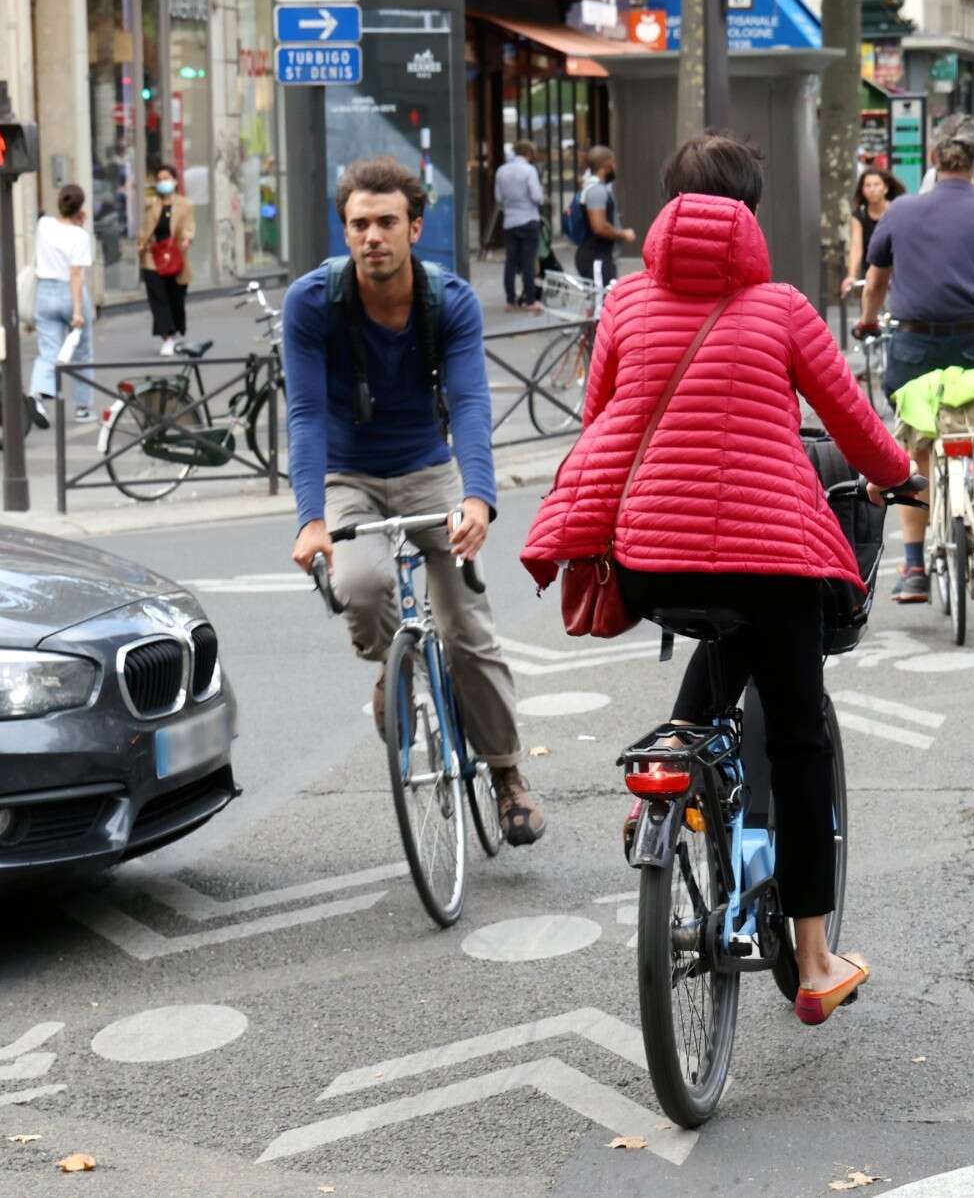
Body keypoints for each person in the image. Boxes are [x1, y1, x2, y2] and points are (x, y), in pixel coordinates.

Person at [521, 133, 911, 1018]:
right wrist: (898, 476)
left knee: (718, 628)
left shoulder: (623, 303)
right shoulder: (782, 308)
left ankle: (671, 754)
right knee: (798, 738)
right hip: (772, 559)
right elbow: (851, 423)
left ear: (667, 209)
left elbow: (601, 424)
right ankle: (813, 964)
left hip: (651, 559)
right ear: (750, 213)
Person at [283, 156, 542, 845]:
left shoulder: (447, 300)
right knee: (363, 587)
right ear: (345, 231)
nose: (372, 236)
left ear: (414, 227)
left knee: (467, 632)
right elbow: (305, 414)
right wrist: (311, 520)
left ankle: (507, 773)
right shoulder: (312, 303)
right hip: (347, 477)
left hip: (431, 470)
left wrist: (479, 499)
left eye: (386, 222)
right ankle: (390, 671)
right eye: (359, 223)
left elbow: (471, 401)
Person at [858, 114, 974, 602]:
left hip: (914, 347)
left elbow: (874, 283)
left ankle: (913, 567)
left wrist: (869, 321)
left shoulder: (901, 212)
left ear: (933, 160)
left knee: (915, 441)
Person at [29, 184, 96, 425]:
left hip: (45, 292)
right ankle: (83, 407)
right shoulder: (80, 236)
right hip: (70, 293)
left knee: (49, 351)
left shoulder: (44, 225)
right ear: (81, 209)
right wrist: (77, 310)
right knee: (82, 352)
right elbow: (76, 274)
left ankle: (37, 395)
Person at [139, 163, 195, 356]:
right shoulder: (151, 205)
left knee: (176, 298)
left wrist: (187, 239)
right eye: (160, 179)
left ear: (175, 181)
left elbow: (188, 227)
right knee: (158, 299)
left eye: (166, 178)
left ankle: (176, 330)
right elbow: (144, 230)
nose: (163, 182)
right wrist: (141, 244)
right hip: (152, 257)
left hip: (175, 256)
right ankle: (167, 337)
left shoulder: (185, 205)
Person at [495, 140, 546, 312]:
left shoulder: (501, 170)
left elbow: (498, 198)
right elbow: (537, 196)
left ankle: (510, 300)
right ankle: (529, 300)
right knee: (528, 262)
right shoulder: (529, 170)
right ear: (529, 153)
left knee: (510, 261)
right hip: (529, 219)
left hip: (510, 221)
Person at [577, 145, 635, 287]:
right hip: (596, 258)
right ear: (606, 164)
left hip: (600, 257)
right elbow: (599, 227)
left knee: (597, 303)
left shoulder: (597, 188)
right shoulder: (596, 190)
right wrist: (623, 234)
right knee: (601, 305)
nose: (615, 166)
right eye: (613, 162)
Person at [843, 167, 905, 298]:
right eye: (867, 185)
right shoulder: (860, 215)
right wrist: (851, 276)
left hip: (898, 275)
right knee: (869, 314)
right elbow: (856, 247)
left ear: (885, 188)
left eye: (876, 184)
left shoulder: (897, 209)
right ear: (863, 190)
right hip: (871, 275)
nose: (872, 189)